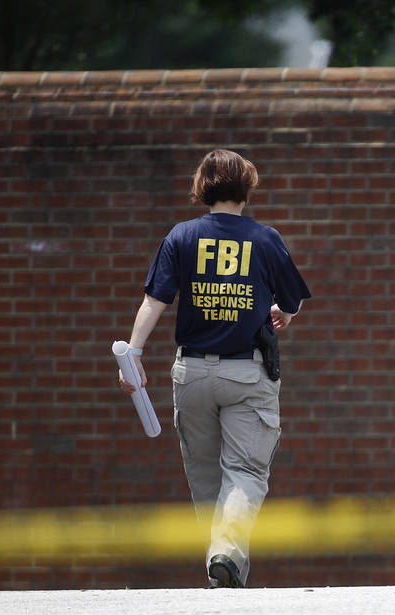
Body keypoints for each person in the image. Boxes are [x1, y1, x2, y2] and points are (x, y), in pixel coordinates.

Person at [119, 149, 311, 588]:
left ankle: (224, 575)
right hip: (247, 373)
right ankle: (224, 555)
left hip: (192, 374)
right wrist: (283, 311)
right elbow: (294, 300)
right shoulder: (265, 239)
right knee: (244, 473)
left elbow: (155, 301)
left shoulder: (181, 237)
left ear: (202, 188)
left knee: (205, 479)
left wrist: (132, 354)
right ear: (247, 188)